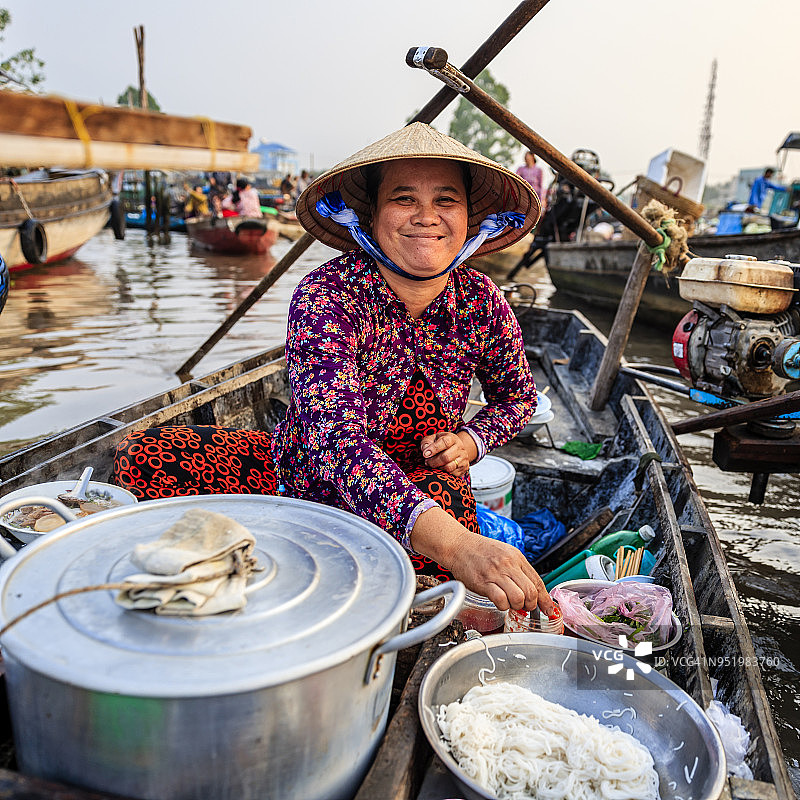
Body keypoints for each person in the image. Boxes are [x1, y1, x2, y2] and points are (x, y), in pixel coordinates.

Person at [112, 123, 551, 614]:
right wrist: (458, 545)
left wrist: (473, 441)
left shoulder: (481, 300)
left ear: (469, 219)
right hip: (307, 475)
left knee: (431, 575)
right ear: (372, 215)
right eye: (404, 199)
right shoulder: (327, 296)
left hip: (426, 482)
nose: (427, 217)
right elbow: (334, 441)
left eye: (446, 201)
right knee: (145, 455)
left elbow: (519, 398)